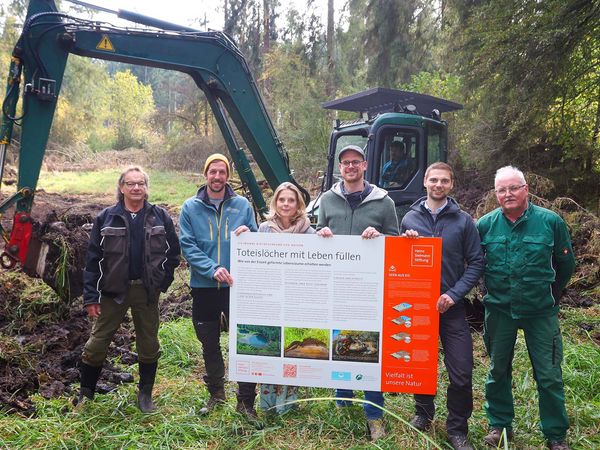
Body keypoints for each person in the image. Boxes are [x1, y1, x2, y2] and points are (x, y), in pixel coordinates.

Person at [477, 166, 575, 450]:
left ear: (525, 189)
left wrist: (552, 294)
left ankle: (555, 435)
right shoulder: (484, 225)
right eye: (502, 190)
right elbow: (473, 263)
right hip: (499, 311)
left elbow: (565, 264)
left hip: (540, 312)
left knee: (549, 374)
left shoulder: (550, 222)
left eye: (513, 188)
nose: (508, 194)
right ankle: (500, 426)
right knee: (497, 371)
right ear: (496, 194)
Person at [78, 166, 180, 413]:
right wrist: (91, 296)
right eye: (131, 184)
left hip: (146, 292)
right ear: (121, 187)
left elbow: (173, 253)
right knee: (97, 343)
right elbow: (92, 259)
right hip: (113, 292)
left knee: (149, 344)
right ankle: (85, 395)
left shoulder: (160, 216)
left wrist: (161, 283)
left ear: (146, 188)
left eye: (141, 184)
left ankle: (145, 396)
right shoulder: (106, 217)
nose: (136, 188)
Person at [316, 144, 399, 440]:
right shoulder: (327, 199)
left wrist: (380, 237)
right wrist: (321, 234)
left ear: (365, 166)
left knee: (369, 348)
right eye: (345, 163)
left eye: (355, 162)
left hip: (369, 289)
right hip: (336, 287)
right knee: (341, 340)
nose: (350, 166)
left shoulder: (383, 202)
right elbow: (317, 236)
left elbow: (396, 241)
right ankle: (343, 402)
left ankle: (374, 413)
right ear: (340, 168)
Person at [401, 162, 484, 450]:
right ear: (425, 181)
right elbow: (400, 261)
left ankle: (457, 429)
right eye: (433, 179)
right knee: (421, 365)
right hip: (420, 307)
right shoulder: (409, 218)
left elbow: (476, 263)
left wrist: (455, 294)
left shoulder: (463, 221)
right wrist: (405, 243)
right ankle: (423, 414)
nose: (438, 185)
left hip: (452, 308)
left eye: (444, 181)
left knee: (461, 371)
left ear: (452, 185)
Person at [179, 153, 259, 419]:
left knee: (246, 343)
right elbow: (187, 245)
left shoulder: (243, 205)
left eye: (222, 172)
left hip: (238, 288)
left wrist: (250, 235)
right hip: (204, 288)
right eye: (212, 172)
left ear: (228, 176)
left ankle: (246, 401)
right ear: (205, 175)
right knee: (209, 344)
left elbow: (256, 239)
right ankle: (216, 393)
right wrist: (212, 269)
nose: (217, 177)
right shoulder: (190, 207)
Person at [257, 182, 315, 414]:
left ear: (298, 204)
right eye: (282, 200)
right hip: (271, 300)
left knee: (292, 349)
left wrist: (326, 238)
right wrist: (242, 236)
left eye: (291, 200)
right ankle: (269, 404)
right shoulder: (263, 230)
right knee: (271, 349)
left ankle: (288, 403)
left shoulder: (309, 232)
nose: (286, 204)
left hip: (296, 300)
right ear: (275, 203)